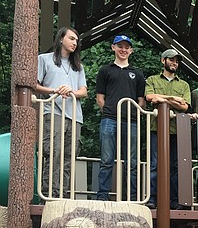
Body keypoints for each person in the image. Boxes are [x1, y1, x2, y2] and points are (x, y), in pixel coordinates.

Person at [36, 26, 87, 198]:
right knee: (53, 153)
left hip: (75, 116)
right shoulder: (44, 59)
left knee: (69, 157)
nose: (75, 42)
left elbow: (84, 91)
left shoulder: (78, 66)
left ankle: (62, 196)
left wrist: (70, 91)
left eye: (76, 40)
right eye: (72, 38)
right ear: (60, 39)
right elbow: (34, 85)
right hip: (53, 112)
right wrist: (55, 91)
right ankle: (48, 195)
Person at [95, 35, 146, 202]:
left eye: (127, 47)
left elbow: (141, 99)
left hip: (131, 122)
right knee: (106, 160)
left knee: (132, 162)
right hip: (109, 119)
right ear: (113, 47)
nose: (123, 50)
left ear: (131, 50)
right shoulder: (105, 70)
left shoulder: (137, 73)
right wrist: (108, 111)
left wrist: (135, 112)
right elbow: (99, 97)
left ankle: (132, 198)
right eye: (120, 46)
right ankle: (102, 197)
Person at [145, 48, 191, 209]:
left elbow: (185, 106)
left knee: (175, 166)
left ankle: (174, 200)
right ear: (163, 61)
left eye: (177, 61)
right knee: (155, 164)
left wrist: (163, 100)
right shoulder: (152, 80)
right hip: (156, 129)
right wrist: (173, 99)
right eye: (171, 60)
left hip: (176, 130)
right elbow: (150, 97)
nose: (174, 63)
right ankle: (152, 199)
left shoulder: (184, 84)